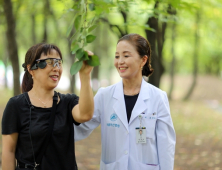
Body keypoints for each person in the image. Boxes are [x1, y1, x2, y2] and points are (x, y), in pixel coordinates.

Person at [74, 33, 176, 170]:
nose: (120, 61)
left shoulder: (158, 97)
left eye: (126, 56)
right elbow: (80, 128)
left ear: (143, 60)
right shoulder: (105, 96)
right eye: (117, 56)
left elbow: (166, 145)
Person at [1, 43, 94, 170]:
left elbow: (85, 114)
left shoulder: (68, 102)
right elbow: (8, 151)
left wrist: (85, 75)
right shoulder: (16, 105)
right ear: (31, 69)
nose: (56, 68)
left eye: (58, 62)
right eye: (50, 62)